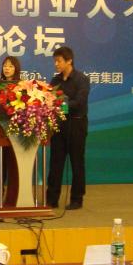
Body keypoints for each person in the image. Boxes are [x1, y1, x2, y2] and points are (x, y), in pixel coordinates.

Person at [46, 46, 91, 210]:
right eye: (55, 61)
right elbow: (49, 98)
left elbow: (79, 102)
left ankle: (77, 199)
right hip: (59, 125)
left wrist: (59, 105)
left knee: (77, 163)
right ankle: (52, 199)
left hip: (76, 124)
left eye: (59, 61)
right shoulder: (55, 80)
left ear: (69, 61)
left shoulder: (81, 79)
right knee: (55, 163)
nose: (56, 64)